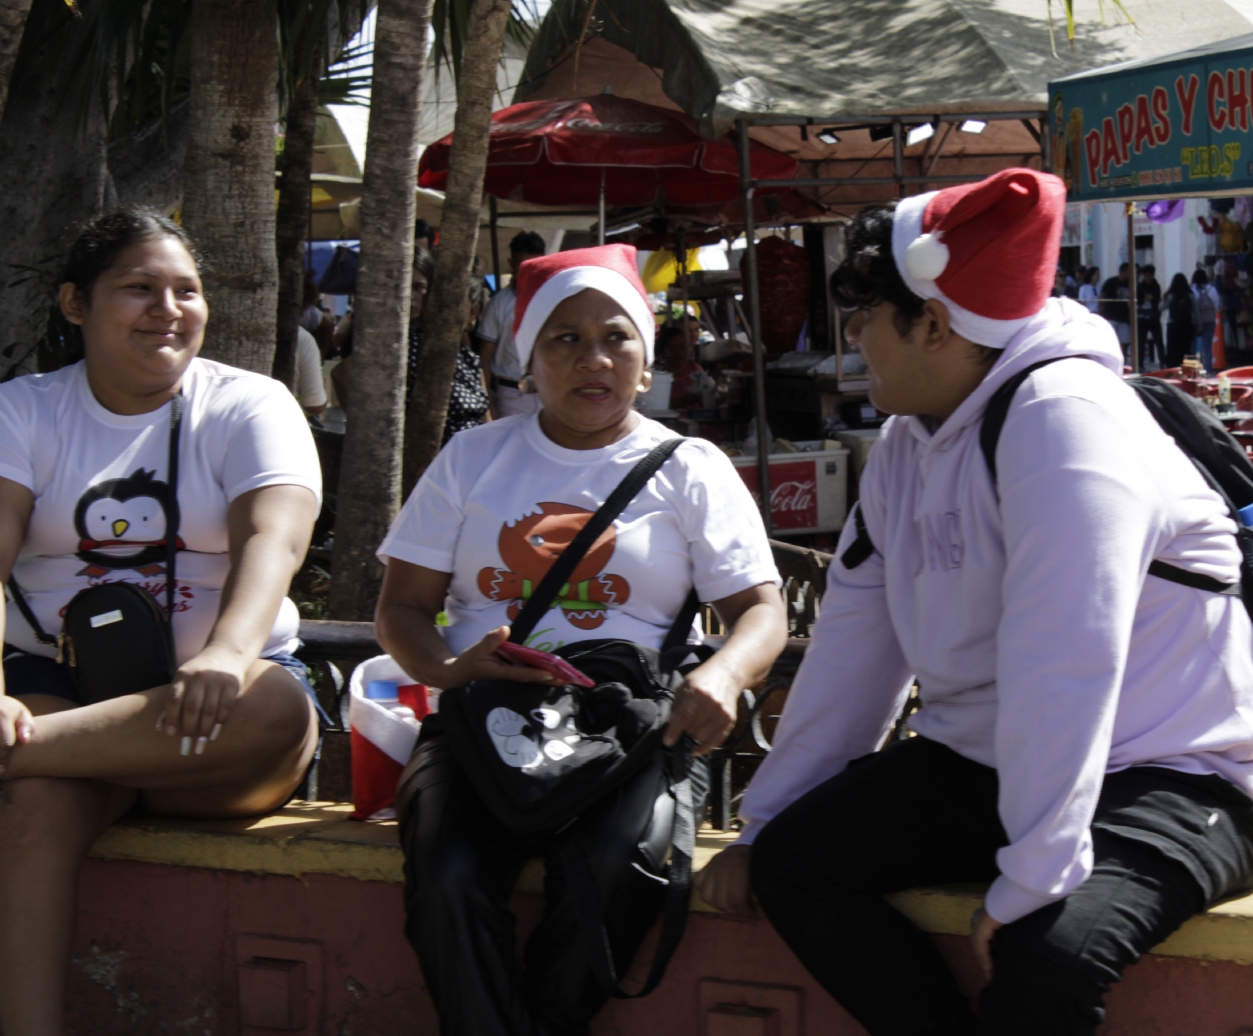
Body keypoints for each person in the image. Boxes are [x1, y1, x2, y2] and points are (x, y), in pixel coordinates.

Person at [695, 169, 1253, 1036]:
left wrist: (1036, 876)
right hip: (990, 759)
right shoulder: (907, 444)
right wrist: (765, 823)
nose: (854, 341)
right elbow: (854, 655)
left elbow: (1067, 657)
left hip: (1176, 768)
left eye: (867, 319)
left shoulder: (1067, 419)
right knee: (798, 862)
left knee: (1046, 962)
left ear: (934, 324)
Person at [376, 244, 788, 1036]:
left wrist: (726, 675)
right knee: (449, 872)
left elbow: (760, 611)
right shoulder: (473, 458)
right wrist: (448, 669)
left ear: (646, 354)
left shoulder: (689, 468)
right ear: (527, 360)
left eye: (616, 336)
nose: (593, 358)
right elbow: (401, 609)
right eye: (564, 338)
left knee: (616, 869)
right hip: (481, 721)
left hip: (632, 726)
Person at [0, 207, 325, 1036]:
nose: (168, 309)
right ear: (75, 304)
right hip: (62, 696)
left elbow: (274, 539)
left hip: (214, 722)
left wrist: (224, 653)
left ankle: (23, 756)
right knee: (34, 810)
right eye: (138, 289)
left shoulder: (254, 403)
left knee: (275, 706)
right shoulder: (22, 411)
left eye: (186, 290)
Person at [405, 248, 492, 445]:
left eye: (418, 288)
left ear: (473, 313)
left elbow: (486, 418)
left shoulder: (468, 357)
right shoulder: (414, 346)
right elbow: (343, 374)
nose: (451, 312)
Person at [474, 231, 547, 418]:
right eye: (523, 265)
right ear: (512, 263)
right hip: (510, 394)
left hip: (548, 392)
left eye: (534, 265)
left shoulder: (552, 301)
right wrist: (487, 399)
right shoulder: (499, 304)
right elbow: (485, 355)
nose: (529, 271)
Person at [1162, 272, 1196, 368]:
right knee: (1186, 349)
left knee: (1173, 349)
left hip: (1173, 325)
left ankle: (1172, 368)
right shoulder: (1190, 295)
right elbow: (1196, 311)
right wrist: (1199, 326)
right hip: (1187, 325)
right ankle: (1186, 368)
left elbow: (1161, 307)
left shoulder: (1171, 295)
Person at [1135, 264, 1164, 369]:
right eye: (1146, 275)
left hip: (1154, 318)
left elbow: (1157, 299)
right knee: (1141, 342)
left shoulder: (1156, 286)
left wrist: (1152, 298)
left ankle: (1162, 362)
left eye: (1150, 275)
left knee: (1159, 341)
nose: (1148, 278)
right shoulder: (1140, 286)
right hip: (1142, 318)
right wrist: (1144, 300)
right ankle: (1140, 364)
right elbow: (1137, 300)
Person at [1098, 262, 1131, 356]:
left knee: (1124, 341)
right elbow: (1102, 296)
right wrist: (1100, 312)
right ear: (1123, 271)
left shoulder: (1130, 284)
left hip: (1123, 318)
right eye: (1129, 272)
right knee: (1110, 340)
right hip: (1110, 316)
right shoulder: (1111, 282)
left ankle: (1122, 359)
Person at [1191, 268, 1219, 371]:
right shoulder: (1212, 290)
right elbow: (1216, 305)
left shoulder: (1193, 290)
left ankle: (1193, 369)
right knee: (1207, 347)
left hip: (1195, 322)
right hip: (1209, 321)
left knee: (1193, 347)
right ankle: (1208, 370)